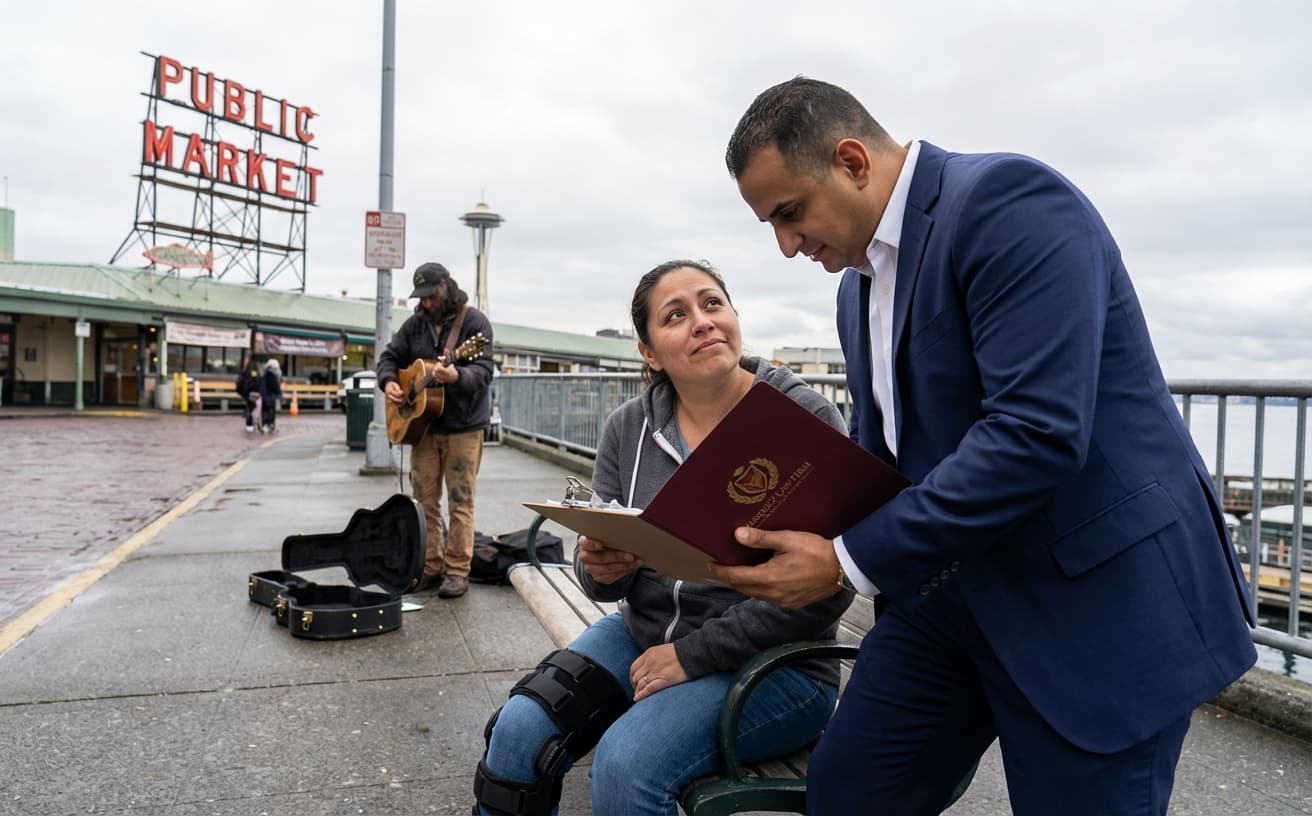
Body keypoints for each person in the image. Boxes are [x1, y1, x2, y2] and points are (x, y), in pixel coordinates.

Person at [713, 77, 1257, 816]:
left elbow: (1034, 434)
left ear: (851, 160)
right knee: (847, 793)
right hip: (948, 594)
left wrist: (843, 560)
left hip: (1092, 602)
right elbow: (889, 462)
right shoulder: (855, 287)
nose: (785, 246)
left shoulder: (1009, 202)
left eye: (789, 213)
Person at [472, 260, 853, 816]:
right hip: (645, 633)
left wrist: (693, 654)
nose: (702, 322)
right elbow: (600, 581)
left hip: (780, 666)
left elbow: (829, 587)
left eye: (712, 303)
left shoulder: (805, 418)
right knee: (517, 730)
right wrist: (602, 569)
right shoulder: (627, 427)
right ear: (649, 353)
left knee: (627, 764)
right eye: (676, 315)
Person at [377, 262, 494, 599]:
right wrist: (389, 383)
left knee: (461, 501)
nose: (425, 303)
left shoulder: (474, 323)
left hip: (464, 427)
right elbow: (388, 358)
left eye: (430, 295)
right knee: (424, 500)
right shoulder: (413, 326)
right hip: (423, 429)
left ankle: (457, 571)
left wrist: (458, 376)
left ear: (445, 286)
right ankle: (430, 566)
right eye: (421, 297)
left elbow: (484, 372)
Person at [235, 357, 263, 433]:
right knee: (252, 408)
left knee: (250, 408)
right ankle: (253, 424)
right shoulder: (255, 371)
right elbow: (258, 381)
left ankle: (250, 425)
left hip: (248, 393)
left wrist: (243, 392)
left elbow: (240, 383)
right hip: (255, 392)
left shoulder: (245, 371)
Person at [259, 358, 283, 433]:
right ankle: (268, 425)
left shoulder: (265, 375)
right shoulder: (271, 377)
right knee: (270, 412)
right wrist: (279, 394)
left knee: (266, 412)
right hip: (270, 398)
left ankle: (266, 425)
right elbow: (275, 388)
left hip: (266, 397)